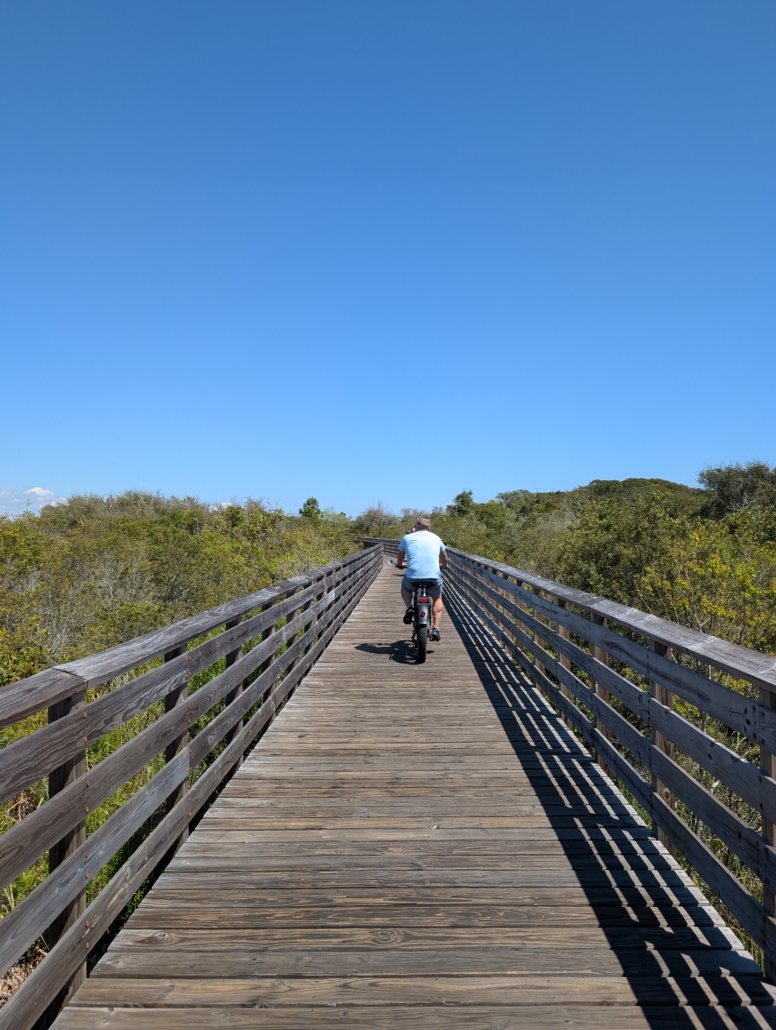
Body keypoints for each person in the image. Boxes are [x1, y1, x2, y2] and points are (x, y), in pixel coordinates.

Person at [395, 516, 448, 642]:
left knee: (405, 587)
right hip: (433, 576)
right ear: (429, 527)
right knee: (437, 597)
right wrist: (444, 565)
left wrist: (399, 564)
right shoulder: (436, 538)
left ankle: (409, 608)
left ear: (416, 526)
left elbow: (400, 554)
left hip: (413, 576)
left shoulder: (407, 538)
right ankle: (436, 628)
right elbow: (444, 556)